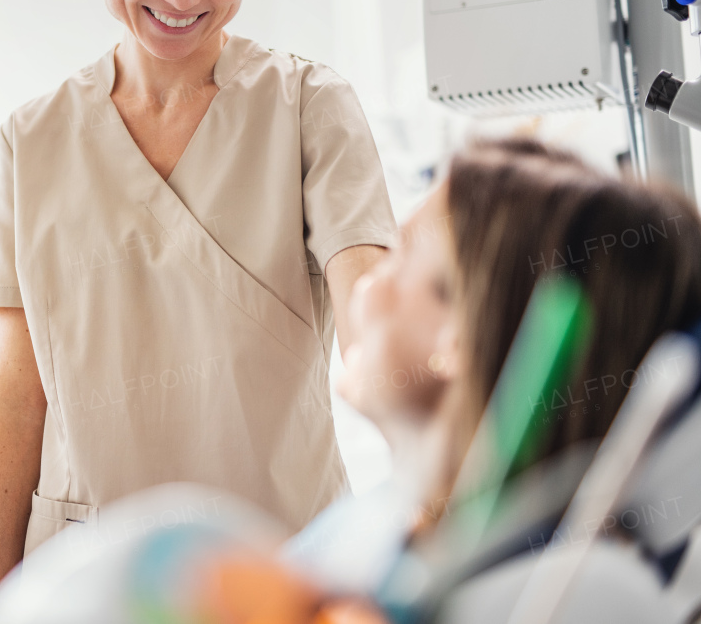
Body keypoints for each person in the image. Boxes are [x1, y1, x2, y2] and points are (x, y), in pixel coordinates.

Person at [0, 0, 397, 607]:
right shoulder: (31, 141)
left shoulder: (308, 106)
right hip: (87, 578)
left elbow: (371, 303)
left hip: (279, 570)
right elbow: (18, 395)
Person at [284, 136, 701, 598]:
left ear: (461, 334)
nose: (366, 284)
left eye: (399, 257)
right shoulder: (371, 532)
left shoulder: (540, 599)